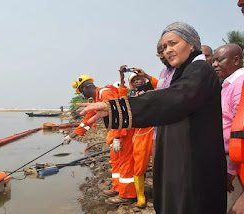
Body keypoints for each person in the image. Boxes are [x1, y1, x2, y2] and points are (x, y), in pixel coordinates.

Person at [77, 22, 227, 214]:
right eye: (164, 47)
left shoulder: (200, 70)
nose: (167, 50)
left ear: (191, 44)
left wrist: (114, 108)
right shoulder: (180, 72)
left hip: (194, 162)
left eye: (173, 43)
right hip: (177, 155)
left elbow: (175, 99)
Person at [63, 75, 137, 205]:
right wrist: (71, 136)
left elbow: (119, 113)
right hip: (116, 133)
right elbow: (87, 121)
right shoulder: (96, 99)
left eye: (81, 91)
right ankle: (118, 188)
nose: (82, 95)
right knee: (116, 161)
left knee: (125, 162)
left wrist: (118, 137)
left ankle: (127, 195)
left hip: (124, 132)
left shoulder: (105, 93)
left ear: (87, 86)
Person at [118, 66, 158, 208]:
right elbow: (121, 98)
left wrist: (146, 74)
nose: (137, 81)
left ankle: (160, 192)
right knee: (139, 164)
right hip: (140, 133)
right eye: (133, 80)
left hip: (158, 130)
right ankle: (141, 196)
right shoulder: (132, 97)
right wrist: (122, 77)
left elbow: (160, 84)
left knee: (159, 163)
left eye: (138, 78)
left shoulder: (154, 90)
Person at [212, 43, 244, 213]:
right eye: (214, 61)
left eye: (219, 60)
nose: (214, 64)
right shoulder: (228, 84)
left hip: (236, 163)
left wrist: (231, 168)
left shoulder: (240, 84)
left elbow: (239, 129)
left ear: (236, 60)